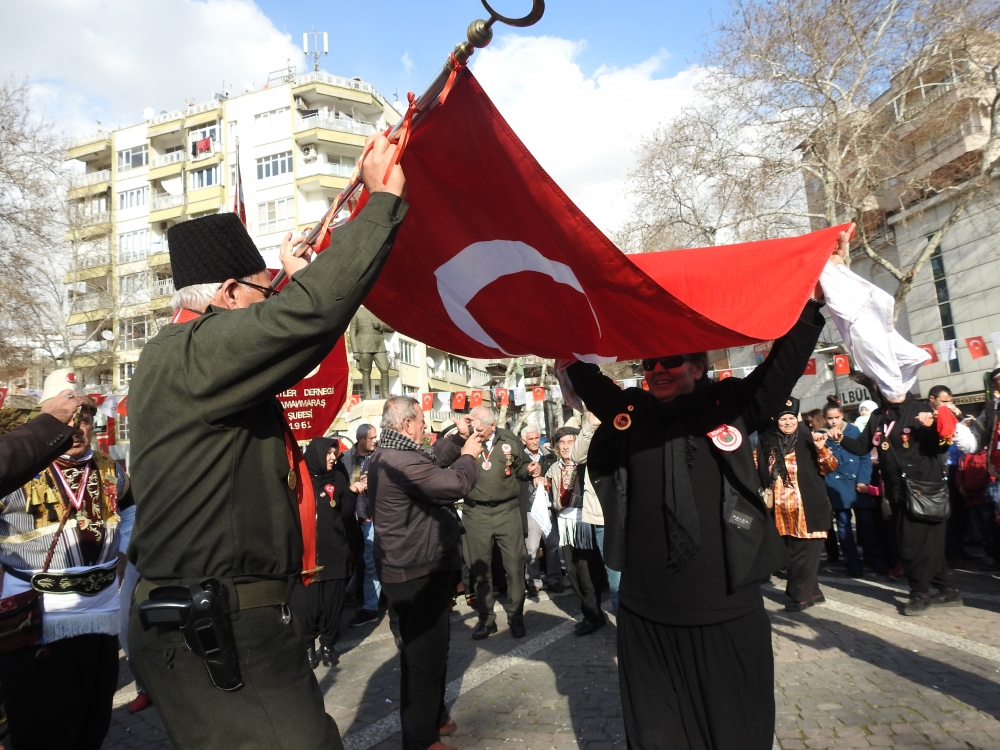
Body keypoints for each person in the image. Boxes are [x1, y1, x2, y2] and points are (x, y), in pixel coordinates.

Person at [125, 134, 407, 749]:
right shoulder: (193, 353)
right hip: (219, 621)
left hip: (213, 615)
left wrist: (293, 280)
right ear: (226, 295)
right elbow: (305, 320)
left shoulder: (179, 356)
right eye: (259, 293)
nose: (265, 306)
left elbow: (287, 332)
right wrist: (381, 200)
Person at [564, 230, 847, 750]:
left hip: (725, 607)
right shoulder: (633, 414)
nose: (656, 371)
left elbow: (779, 370)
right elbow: (587, 379)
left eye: (669, 362)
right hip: (648, 610)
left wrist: (811, 302)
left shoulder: (733, 404)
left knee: (733, 727)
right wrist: (556, 320)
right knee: (658, 730)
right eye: (648, 364)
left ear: (699, 367)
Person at [0, 371, 134, 750]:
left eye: (84, 418)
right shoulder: (19, 469)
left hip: (101, 617)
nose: (76, 428)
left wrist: (123, 549)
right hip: (36, 621)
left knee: (91, 727)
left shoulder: (110, 467)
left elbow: (130, 508)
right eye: (66, 420)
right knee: (43, 733)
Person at [367, 396, 482, 750]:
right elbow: (453, 484)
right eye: (420, 422)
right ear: (406, 425)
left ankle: (435, 718)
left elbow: (431, 461)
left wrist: (458, 439)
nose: (425, 428)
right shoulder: (400, 461)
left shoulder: (389, 454)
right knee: (423, 660)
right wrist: (471, 456)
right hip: (417, 572)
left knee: (429, 653)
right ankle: (420, 740)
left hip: (408, 568)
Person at [834, 387, 962, 615]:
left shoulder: (922, 409)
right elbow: (863, 447)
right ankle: (947, 589)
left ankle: (919, 593)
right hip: (896, 491)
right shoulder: (878, 415)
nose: (891, 390)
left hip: (924, 488)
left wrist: (930, 426)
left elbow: (941, 446)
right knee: (920, 542)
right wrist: (840, 437)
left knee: (912, 544)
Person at [462, 405, 540, 640]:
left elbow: (521, 467)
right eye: (473, 427)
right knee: (479, 567)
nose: (477, 433)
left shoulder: (509, 440)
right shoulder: (463, 439)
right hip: (475, 513)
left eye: (481, 430)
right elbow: (444, 460)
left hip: (507, 511)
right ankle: (487, 620)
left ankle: (516, 617)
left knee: (515, 566)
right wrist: (461, 433)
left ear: (493, 426)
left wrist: (531, 469)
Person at [759, 398, 837, 611]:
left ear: (798, 418)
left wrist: (822, 449)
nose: (787, 423)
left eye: (791, 418)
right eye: (783, 418)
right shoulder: (768, 443)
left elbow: (830, 467)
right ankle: (813, 590)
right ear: (776, 420)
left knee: (804, 556)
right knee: (792, 555)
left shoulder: (809, 439)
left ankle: (801, 596)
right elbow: (757, 467)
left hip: (808, 510)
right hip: (782, 512)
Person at [292, 437, 357, 669]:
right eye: (328, 453)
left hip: (333, 552)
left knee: (332, 602)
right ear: (317, 454)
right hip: (306, 555)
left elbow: (346, 512)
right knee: (306, 605)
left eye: (334, 453)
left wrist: (351, 493)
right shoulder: (298, 480)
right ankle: (308, 645)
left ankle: (328, 645)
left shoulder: (338, 478)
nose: (333, 457)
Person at [546, 426, 606, 635]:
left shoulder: (585, 466)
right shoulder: (553, 469)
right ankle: (589, 613)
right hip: (564, 524)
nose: (565, 446)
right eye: (561, 443)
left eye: (570, 442)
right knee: (572, 573)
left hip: (585, 523)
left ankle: (594, 615)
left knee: (587, 572)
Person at [822, 399, 886, 576]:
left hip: (858, 483)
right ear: (825, 418)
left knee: (867, 525)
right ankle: (852, 563)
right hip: (836, 484)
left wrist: (864, 481)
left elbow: (864, 457)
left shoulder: (854, 430)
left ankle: (875, 560)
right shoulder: (822, 436)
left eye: (836, 417)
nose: (834, 421)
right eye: (830, 418)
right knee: (843, 526)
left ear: (842, 415)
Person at [0, 377, 89, 497]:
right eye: (64, 421)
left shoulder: (110, 466)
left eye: (81, 421)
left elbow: (123, 508)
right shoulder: (23, 470)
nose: (73, 427)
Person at [572, 411, 621, 614]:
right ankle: (623, 633)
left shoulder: (627, 421)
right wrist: (591, 424)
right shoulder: (594, 428)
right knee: (615, 579)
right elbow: (577, 456)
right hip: (603, 516)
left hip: (634, 514)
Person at [343, 424, 381, 626]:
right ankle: (354, 596)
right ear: (360, 439)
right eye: (371, 437)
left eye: (376, 437)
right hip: (350, 520)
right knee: (353, 561)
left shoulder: (379, 457)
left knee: (370, 564)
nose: (375, 440)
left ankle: (370, 606)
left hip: (371, 518)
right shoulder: (344, 459)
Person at [519, 427, 561, 596]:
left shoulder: (550, 456)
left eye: (537, 438)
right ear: (524, 441)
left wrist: (547, 480)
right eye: (531, 439)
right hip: (530, 509)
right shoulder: (519, 458)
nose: (535, 441)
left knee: (552, 545)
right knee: (532, 547)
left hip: (549, 507)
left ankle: (555, 579)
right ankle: (533, 581)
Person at [349, 307, 394, 400]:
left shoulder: (379, 310)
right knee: (366, 371)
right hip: (363, 346)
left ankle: (385, 393)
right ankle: (367, 395)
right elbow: (352, 333)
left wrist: (380, 325)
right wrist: (355, 351)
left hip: (379, 345)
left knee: (385, 368)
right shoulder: (356, 312)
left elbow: (392, 328)